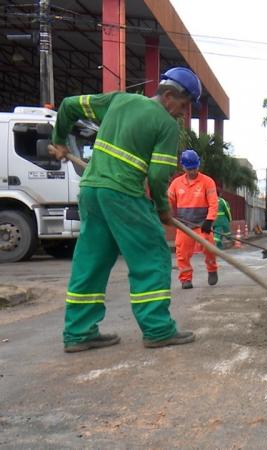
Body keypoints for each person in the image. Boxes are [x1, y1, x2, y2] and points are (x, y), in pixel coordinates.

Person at [49, 67, 201, 352]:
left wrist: (58, 140)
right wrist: (163, 210)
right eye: (183, 105)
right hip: (123, 195)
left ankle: (79, 332)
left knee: (90, 261)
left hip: (92, 191)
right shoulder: (167, 125)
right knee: (152, 254)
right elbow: (157, 176)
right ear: (169, 96)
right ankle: (157, 329)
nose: (183, 113)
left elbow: (69, 105)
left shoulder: (118, 101)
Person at [168, 149, 219, 289]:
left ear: (198, 165)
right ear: (183, 167)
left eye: (194, 168)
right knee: (182, 253)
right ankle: (185, 279)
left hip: (202, 225)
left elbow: (213, 203)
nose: (192, 171)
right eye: (189, 169)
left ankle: (212, 269)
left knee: (209, 249)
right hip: (184, 225)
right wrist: (165, 212)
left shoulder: (207, 182)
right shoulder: (176, 184)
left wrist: (209, 221)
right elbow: (168, 201)